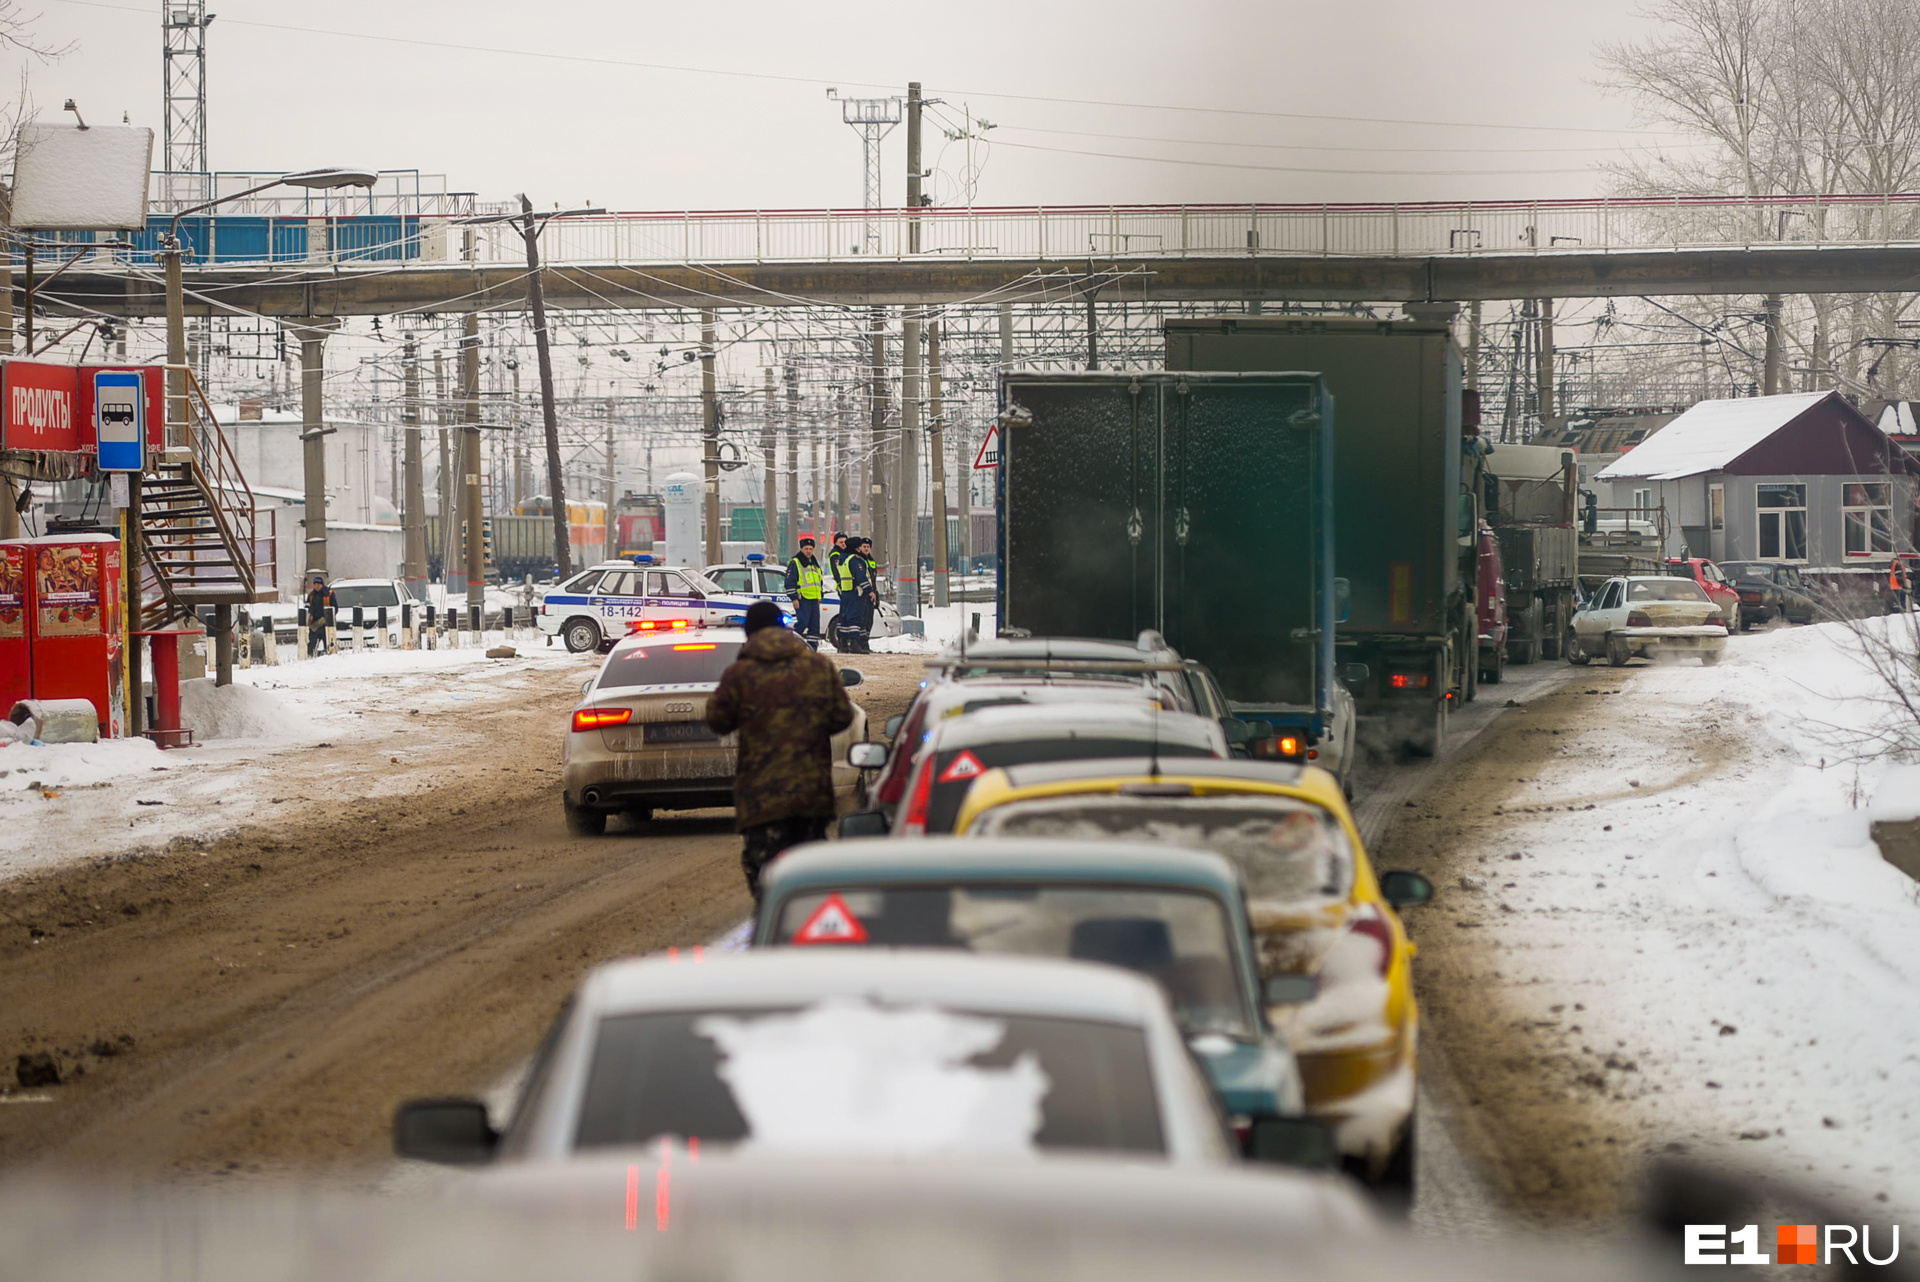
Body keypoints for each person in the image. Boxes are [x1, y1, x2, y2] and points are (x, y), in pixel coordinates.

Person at [705, 600, 854, 903]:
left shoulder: (741, 674)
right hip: (811, 793)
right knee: (812, 876)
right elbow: (843, 716)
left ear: (750, 633)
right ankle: (813, 932)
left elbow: (718, 721)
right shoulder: (818, 667)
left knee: (766, 880)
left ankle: (773, 932)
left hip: (762, 798)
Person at [784, 537, 825, 645]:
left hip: (814, 600)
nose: (808, 551)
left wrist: (820, 595)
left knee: (814, 626)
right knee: (802, 623)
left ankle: (812, 649)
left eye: (811, 548)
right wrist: (794, 598)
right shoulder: (795, 562)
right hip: (802, 599)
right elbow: (789, 582)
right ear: (801, 549)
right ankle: (789, 644)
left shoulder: (815, 564)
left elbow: (819, 581)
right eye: (806, 548)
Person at [840, 536, 876, 654]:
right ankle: (855, 644)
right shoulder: (855, 559)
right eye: (861, 546)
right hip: (856, 592)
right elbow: (861, 577)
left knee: (845, 619)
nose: (862, 548)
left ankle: (843, 644)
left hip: (845, 591)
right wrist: (869, 591)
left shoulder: (842, 558)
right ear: (857, 547)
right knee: (855, 618)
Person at [304, 571, 335, 656]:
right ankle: (310, 658)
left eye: (318, 584)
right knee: (311, 646)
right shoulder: (311, 595)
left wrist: (328, 618)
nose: (317, 586)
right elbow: (307, 608)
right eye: (315, 584)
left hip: (326, 625)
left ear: (322, 585)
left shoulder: (329, 593)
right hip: (314, 624)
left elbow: (335, 608)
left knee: (328, 645)